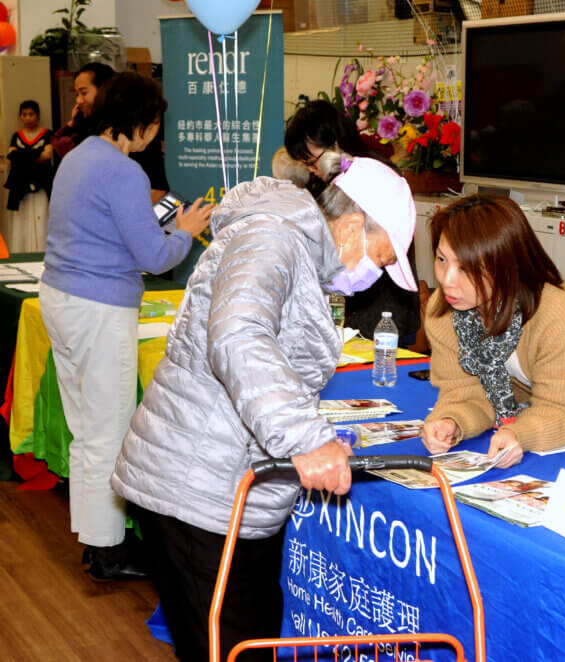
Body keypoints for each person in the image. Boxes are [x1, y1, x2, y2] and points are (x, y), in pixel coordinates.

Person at [111, 152, 417, 661]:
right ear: (354, 224)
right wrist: (308, 438)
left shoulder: (295, 248)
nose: (375, 276)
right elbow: (237, 333)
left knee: (248, 642)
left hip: (232, 493)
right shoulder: (273, 236)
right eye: (382, 259)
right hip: (198, 489)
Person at [39, 72, 213, 582]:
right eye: (155, 124)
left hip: (61, 298)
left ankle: (97, 543)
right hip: (99, 308)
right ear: (141, 122)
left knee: (86, 429)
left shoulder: (77, 155)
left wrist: (163, 229)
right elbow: (156, 258)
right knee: (109, 430)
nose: (155, 134)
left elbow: (104, 231)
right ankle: (109, 553)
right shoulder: (124, 172)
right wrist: (185, 231)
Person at [421, 195, 565, 467]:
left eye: (466, 268)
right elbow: (466, 392)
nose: (446, 280)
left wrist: (519, 432)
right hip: (537, 398)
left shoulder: (555, 311)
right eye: (442, 259)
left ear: (504, 265)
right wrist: (451, 421)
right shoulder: (444, 311)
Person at [284, 99, 421, 342]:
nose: (312, 169)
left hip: (381, 315)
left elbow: (380, 254)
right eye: (305, 164)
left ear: (335, 142)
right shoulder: (328, 184)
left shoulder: (377, 179)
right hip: (347, 316)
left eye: (313, 161)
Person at [51, 62, 169, 203]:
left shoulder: (80, 154)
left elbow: (157, 186)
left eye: (84, 92)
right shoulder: (126, 169)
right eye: (77, 94)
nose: (79, 100)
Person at [3, 100, 53, 252]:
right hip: (20, 188)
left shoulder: (48, 134)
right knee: (22, 222)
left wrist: (21, 155)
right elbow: (10, 156)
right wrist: (35, 154)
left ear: (37, 116)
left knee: (42, 218)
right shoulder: (16, 136)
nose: (27, 118)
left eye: (31, 114)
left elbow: (46, 156)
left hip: (41, 185)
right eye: (24, 114)